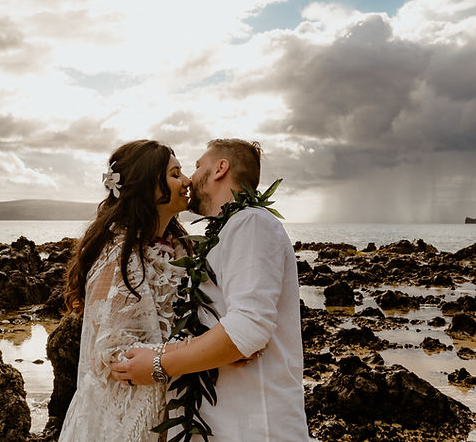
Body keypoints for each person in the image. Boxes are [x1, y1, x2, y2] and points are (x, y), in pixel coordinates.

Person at [109, 139, 309, 441]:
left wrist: (158, 365)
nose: (190, 177)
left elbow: (248, 328)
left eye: (198, 165)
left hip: (255, 426)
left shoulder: (251, 223)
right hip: (222, 424)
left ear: (220, 168)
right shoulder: (223, 235)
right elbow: (216, 329)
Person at [59, 139, 193, 442]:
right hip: (125, 416)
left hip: (180, 405)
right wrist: (187, 355)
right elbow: (111, 354)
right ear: (148, 188)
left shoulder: (183, 248)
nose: (187, 181)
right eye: (175, 175)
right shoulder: (118, 256)